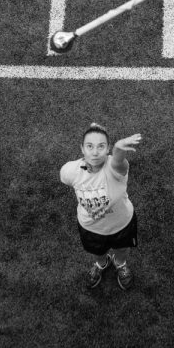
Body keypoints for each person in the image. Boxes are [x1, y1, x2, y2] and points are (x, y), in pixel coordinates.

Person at [60, 123, 142, 290]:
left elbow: (119, 162)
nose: (95, 152)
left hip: (122, 224)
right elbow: (68, 179)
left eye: (101, 146)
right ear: (82, 148)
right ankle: (102, 264)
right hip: (91, 228)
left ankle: (120, 264)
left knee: (122, 249)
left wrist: (119, 149)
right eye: (90, 146)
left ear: (108, 148)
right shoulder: (70, 171)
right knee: (98, 252)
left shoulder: (114, 167)